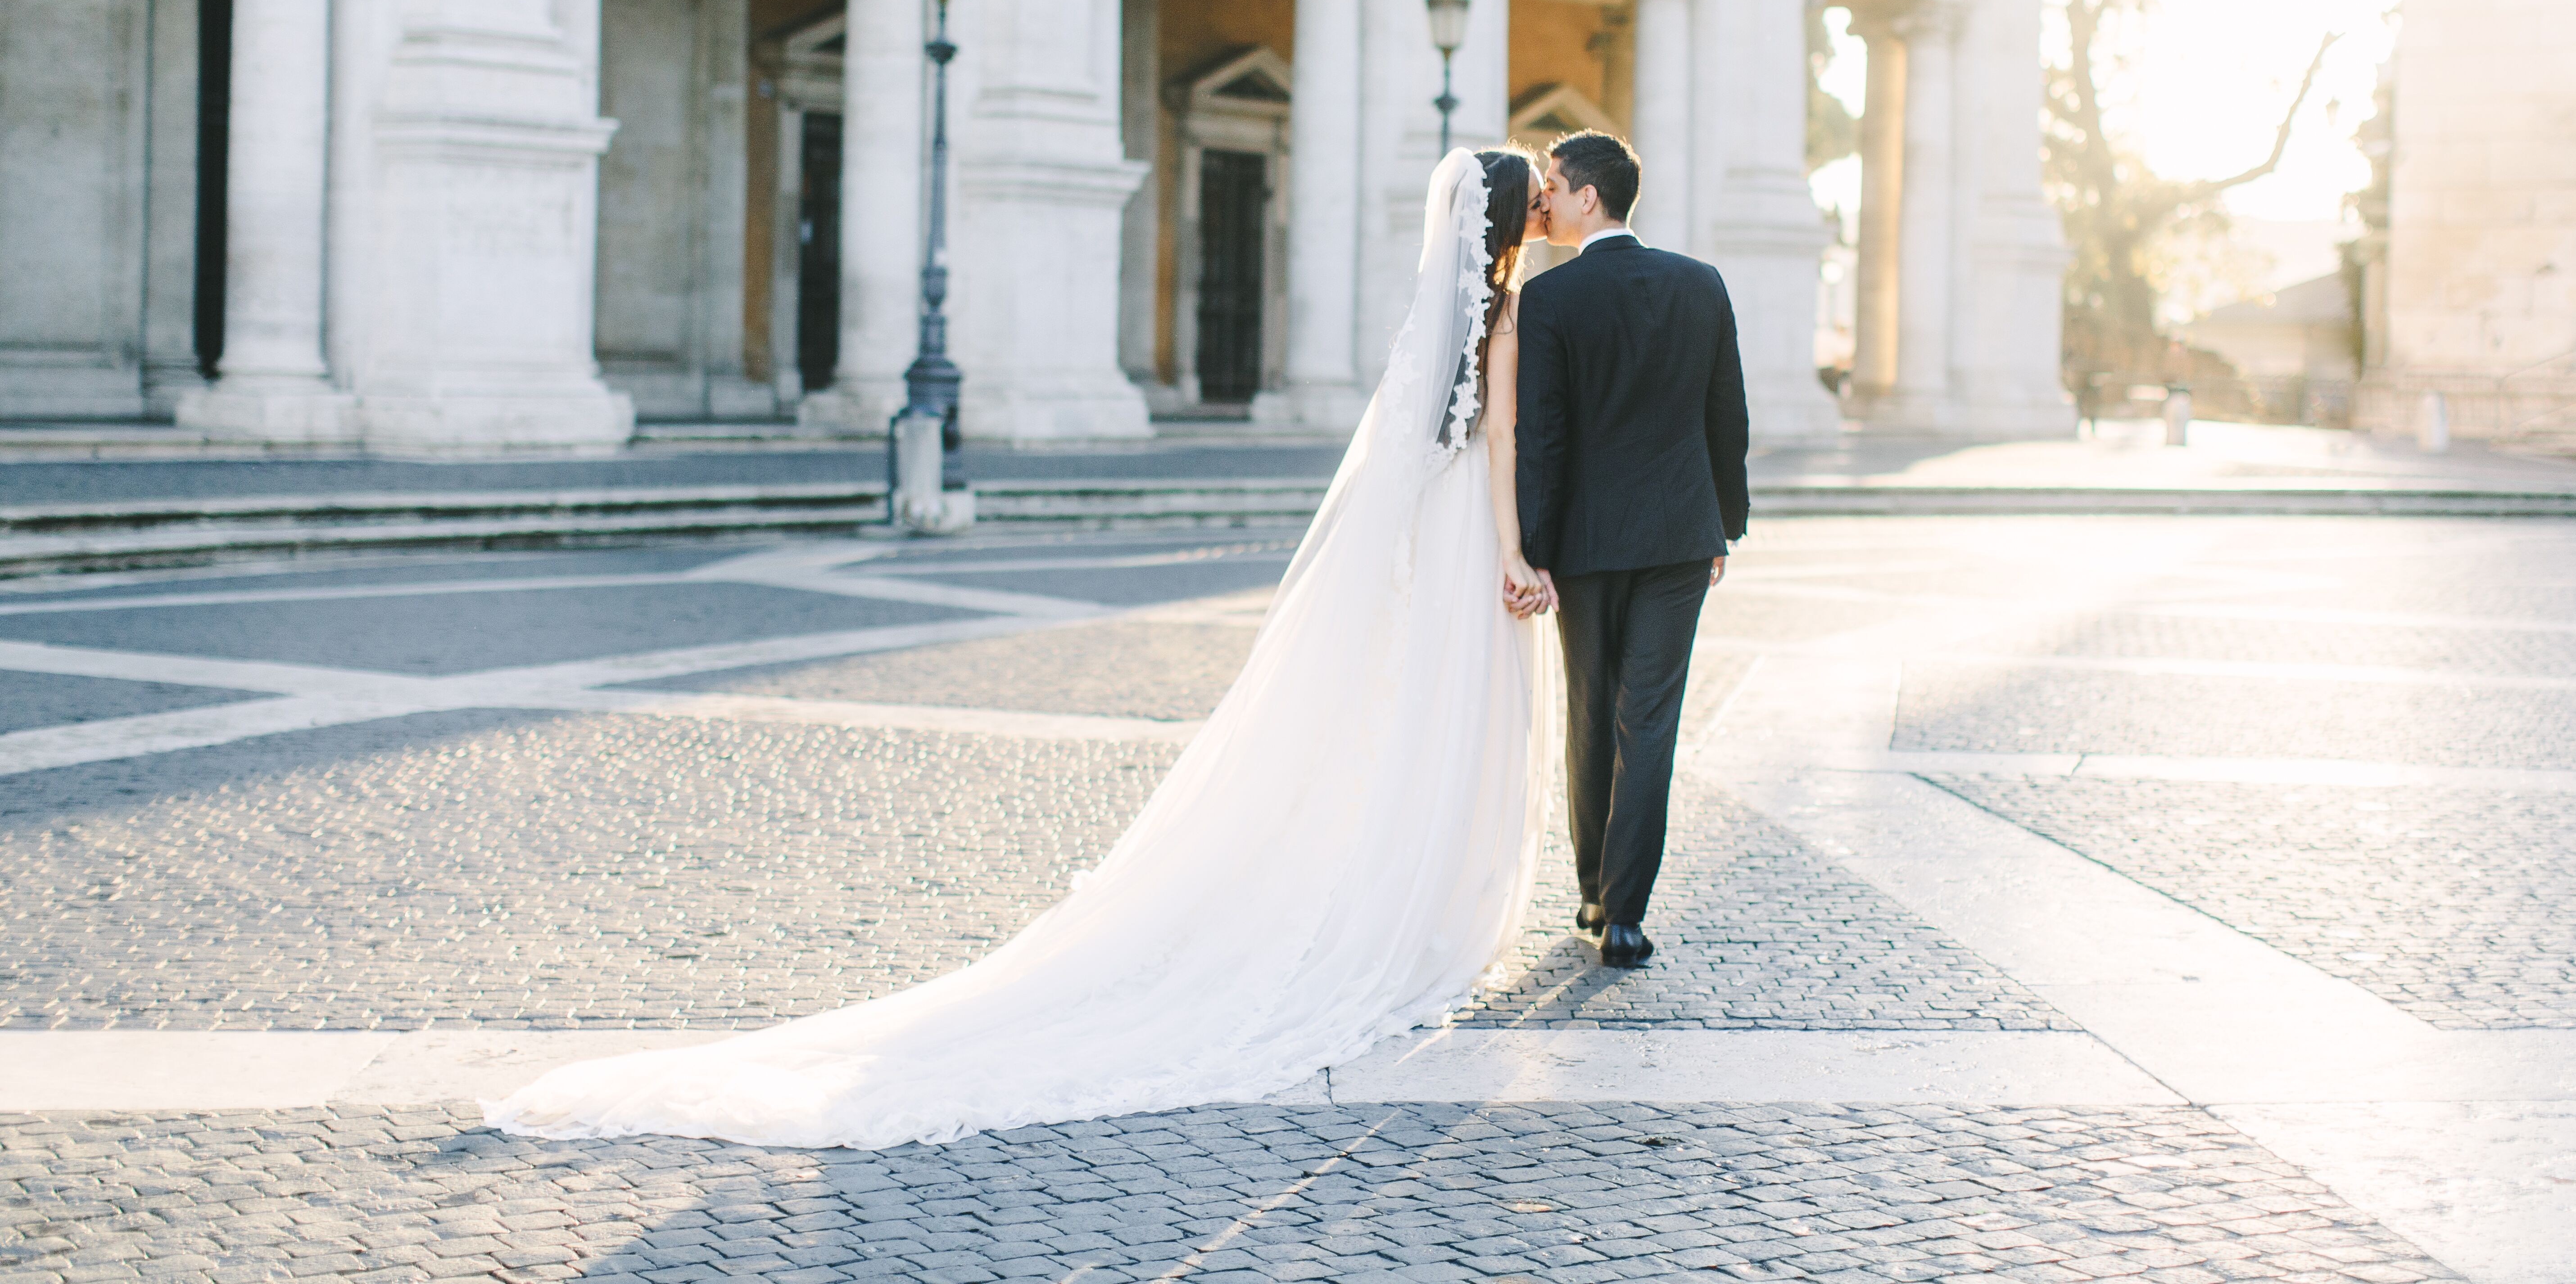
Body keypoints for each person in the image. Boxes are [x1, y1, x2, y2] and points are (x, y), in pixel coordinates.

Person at [489, 148, 1560, 1149]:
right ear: (1518, 220)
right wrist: (1515, 547)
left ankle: (1393, 896)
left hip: (1423, 531)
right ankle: (1424, 909)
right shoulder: (1505, 311)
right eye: (1540, 195)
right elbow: (1500, 439)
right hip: (1468, 530)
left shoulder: (1435, 319)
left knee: (1404, 713)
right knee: (1444, 721)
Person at [1508, 130, 1750, 970]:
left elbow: (1541, 437)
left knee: (1591, 709)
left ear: (1584, 195)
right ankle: (1625, 916)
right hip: (1683, 536)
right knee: (1648, 721)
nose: (1546, 199)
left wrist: (1534, 549)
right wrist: (1725, 522)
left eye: (1552, 185)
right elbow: (1728, 416)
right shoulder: (1702, 284)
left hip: (1585, 541)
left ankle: (1589, 890)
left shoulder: (1551, 299)